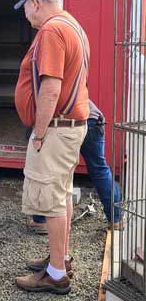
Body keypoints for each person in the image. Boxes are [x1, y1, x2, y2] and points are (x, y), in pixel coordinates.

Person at [13, 0, 89, 295]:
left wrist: (39, 134)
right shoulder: (72, 25)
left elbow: (51, 87)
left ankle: (56, 274)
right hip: (70, 127)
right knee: (62, 193)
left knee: (51, 199)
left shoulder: (51, 31)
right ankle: (62, 257)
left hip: (56, 129)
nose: (26, 17)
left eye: (26, 10)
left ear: (35, 3)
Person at [29, 100, 121, 234]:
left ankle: (41, 220)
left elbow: (49, 99)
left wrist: (38, 134)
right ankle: (116, 219)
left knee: (48, 169)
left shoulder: (49, 83)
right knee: (99, 170)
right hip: (93, 120)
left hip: (71, 123)